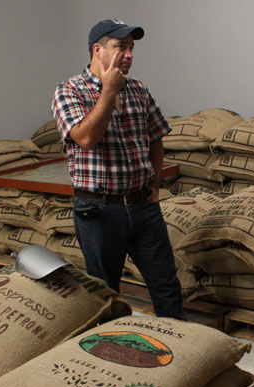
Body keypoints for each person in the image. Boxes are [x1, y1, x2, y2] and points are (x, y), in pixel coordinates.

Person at [51, 19, 186, 320]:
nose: (128, 54)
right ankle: (112, 349)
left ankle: (181, 347)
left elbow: (155, 137)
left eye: (131, 48)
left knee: (166, 285)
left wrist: (155, 182)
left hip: (143, 206)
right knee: (104, 291)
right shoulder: (69, 91)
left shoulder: (138, 89)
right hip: (98, 210)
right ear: (97, 50)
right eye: (120, 47)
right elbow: (86, 138)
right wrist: (108, 92)